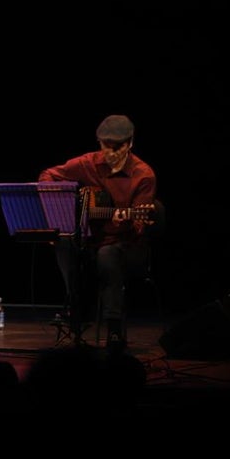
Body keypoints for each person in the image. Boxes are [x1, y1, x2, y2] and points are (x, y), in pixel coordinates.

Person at [38, 114, 157, 348]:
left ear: (130, 143)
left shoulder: (144, 175)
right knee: (62, 241)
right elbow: (47, 176)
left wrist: (126, 219)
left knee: (107, 255)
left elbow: (140, 226)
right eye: (106, 147)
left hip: (127, 244)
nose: (111, 154)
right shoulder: (88, 163)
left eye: (118, 147)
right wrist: (61, 212)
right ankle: (77, 311)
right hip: (90, 240)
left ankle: (113, 328)